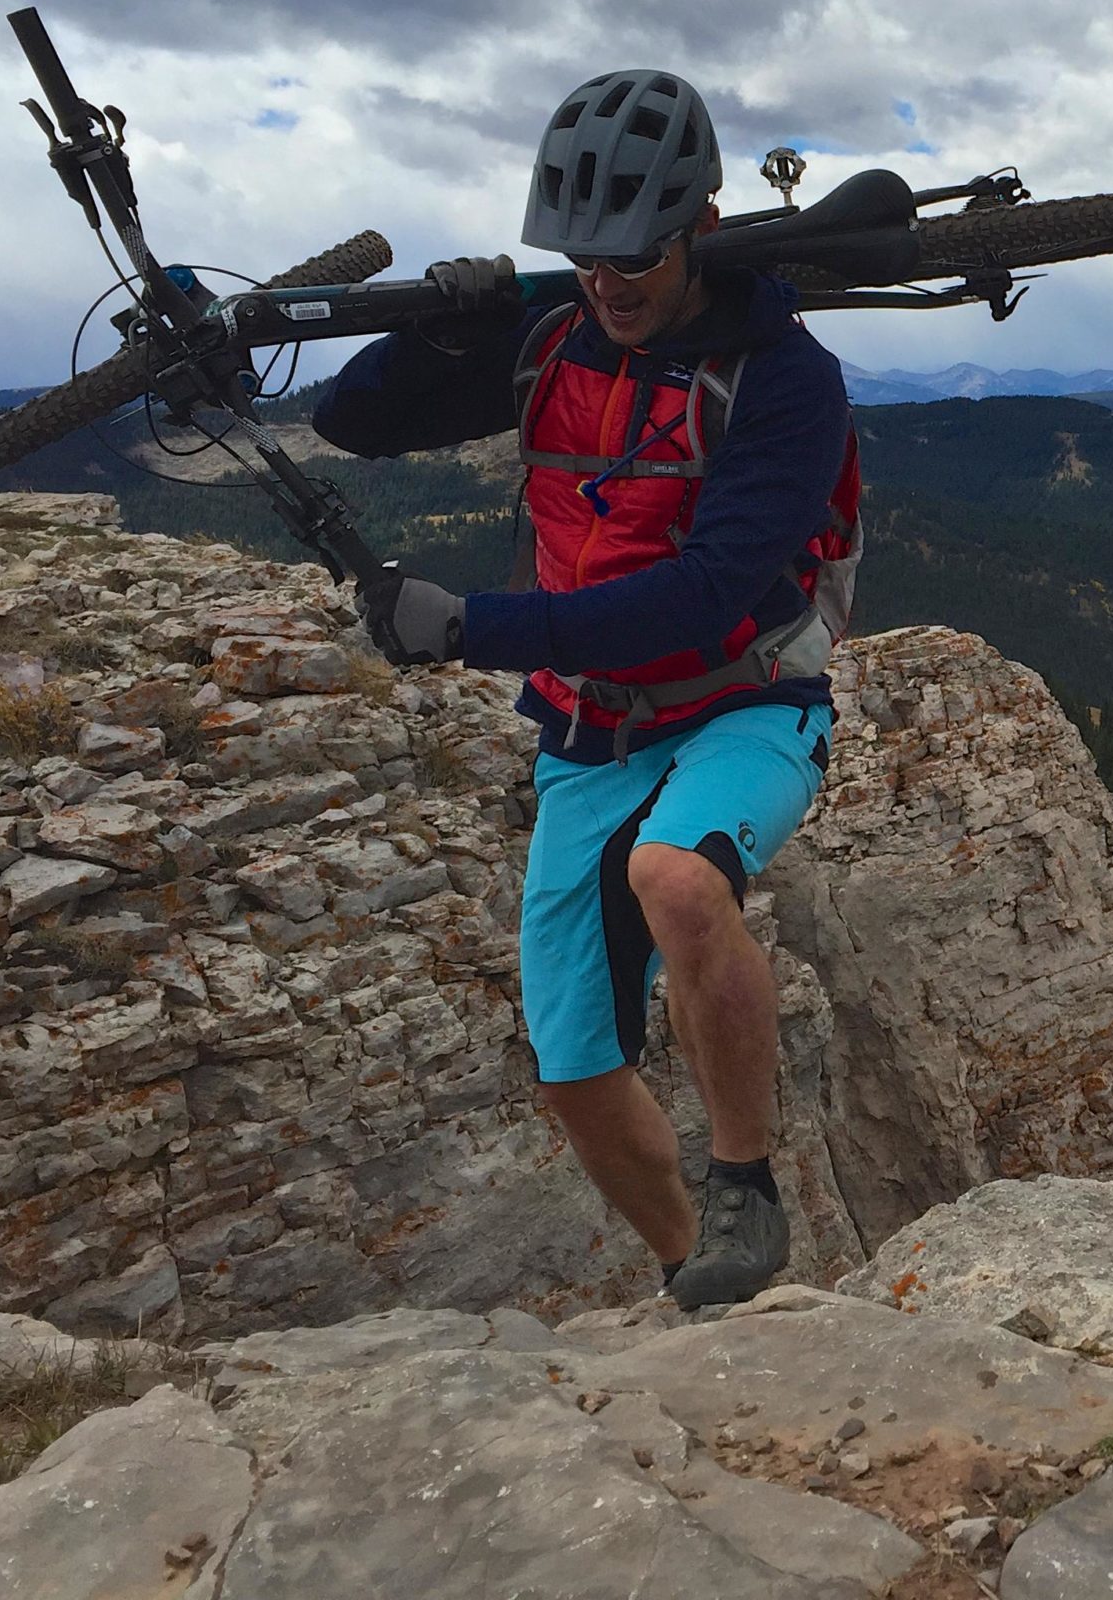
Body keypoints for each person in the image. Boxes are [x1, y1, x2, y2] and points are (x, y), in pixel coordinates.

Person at [315, 68, 859, 1311]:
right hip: (589, 732)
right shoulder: (555, 335)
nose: (607, 285)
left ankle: (747, 1189)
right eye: (584, 259)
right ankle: (701, 1280)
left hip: (745, 696)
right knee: (571, 1072)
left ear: (701, 231)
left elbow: (706, 592)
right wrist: (439, 329)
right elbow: (349, 421)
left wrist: (472, 628)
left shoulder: (783, 381)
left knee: (674, 875)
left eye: (635, 261)